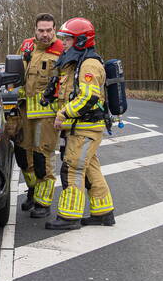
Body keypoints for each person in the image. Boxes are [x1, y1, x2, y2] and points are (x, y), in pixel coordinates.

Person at [45, 17, 115, 230]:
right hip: (81, 128)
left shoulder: (89, 64)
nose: (63, 42)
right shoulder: (78, 62)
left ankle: (69, 216)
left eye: (67, 38)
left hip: (85, 128)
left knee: (73, 167)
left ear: (82, 40)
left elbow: (88, 97)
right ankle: (103, 212)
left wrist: (63, 113)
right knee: (91, 167)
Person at [18, 14, 65, 218]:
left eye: (49, 30)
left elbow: (68, 84)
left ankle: (43, 203)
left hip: (47, 115)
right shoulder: (26, 46)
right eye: (41, 30)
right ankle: (32, 191)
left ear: (54, 30)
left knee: (42, 157)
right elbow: (16, 76)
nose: (45, 34)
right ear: (35, 30)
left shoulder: (63, 50)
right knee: (22, 156)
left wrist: (64, 114)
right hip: (23, 112)